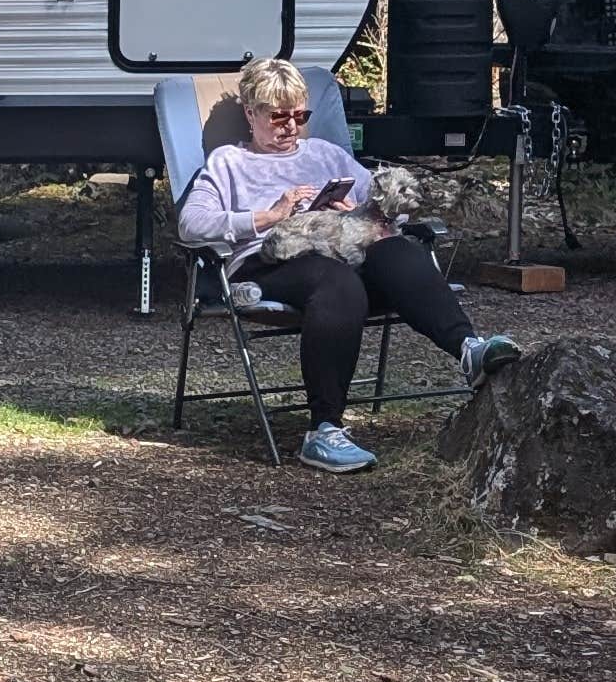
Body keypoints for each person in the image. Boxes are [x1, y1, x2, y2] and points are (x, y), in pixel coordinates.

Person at [176, 53, 515, 472]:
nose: (291, 127)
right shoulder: (229, 163)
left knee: (395, 248)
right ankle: (325, 431)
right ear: (251, 114)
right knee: (335, 280)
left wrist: (361, 208)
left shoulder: (324, 154)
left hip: (345, 252)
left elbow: (394, 203)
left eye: (300, 116)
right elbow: (192, 225)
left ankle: (469, 350)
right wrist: (267, 215)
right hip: (270, 262)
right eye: (279, 116)